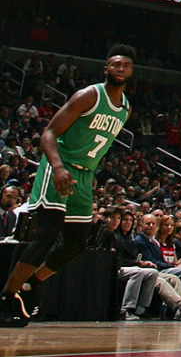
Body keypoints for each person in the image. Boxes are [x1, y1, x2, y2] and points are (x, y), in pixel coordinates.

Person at [1, 44, 137, 327]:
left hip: (84, 176)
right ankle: (5, 297)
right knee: (47, 235)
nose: (120, 68)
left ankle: (32, 286)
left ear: (131, 71)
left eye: (125, 65)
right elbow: (48, 133)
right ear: (106, 68)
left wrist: (90, 171)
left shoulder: (125, 109)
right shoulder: (89, 95)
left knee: (76, 243)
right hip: (58, 168)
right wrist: (59, 167)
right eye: (115, 64)